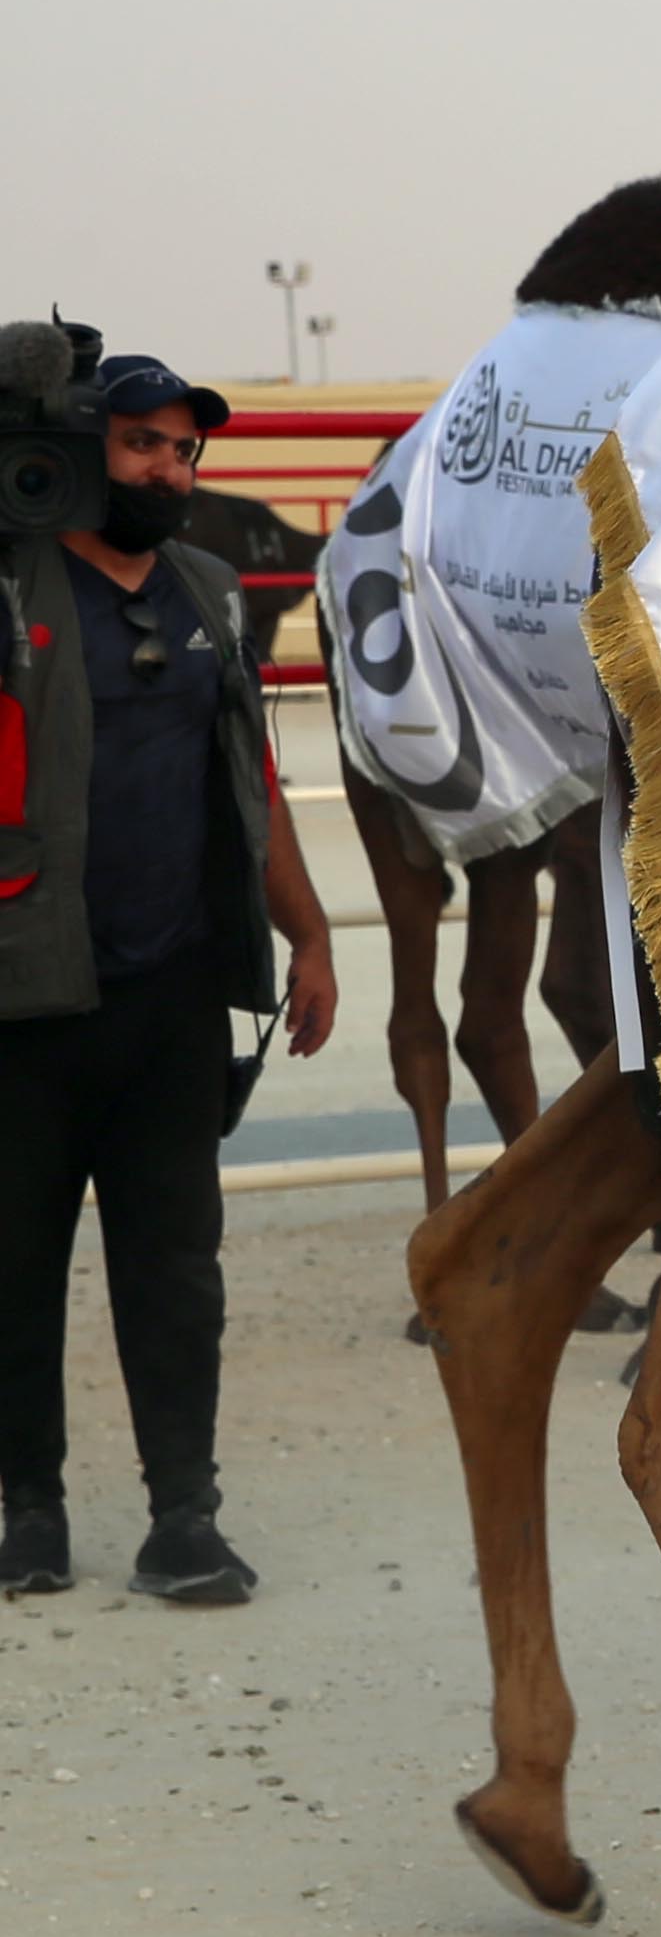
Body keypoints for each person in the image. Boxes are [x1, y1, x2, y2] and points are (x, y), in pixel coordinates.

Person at [1, 356, 338, 1602]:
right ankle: (28, 1510)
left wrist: (307, 936)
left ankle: (182, 1518)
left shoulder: (206, 587)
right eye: (142, 446)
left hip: (174, 999)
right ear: (82, 449)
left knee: (177, 1272)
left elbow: (250, 788)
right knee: (15, 1270)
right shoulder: (10, 581)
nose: (170, 473)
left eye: (184, 452)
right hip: (26, 1000)